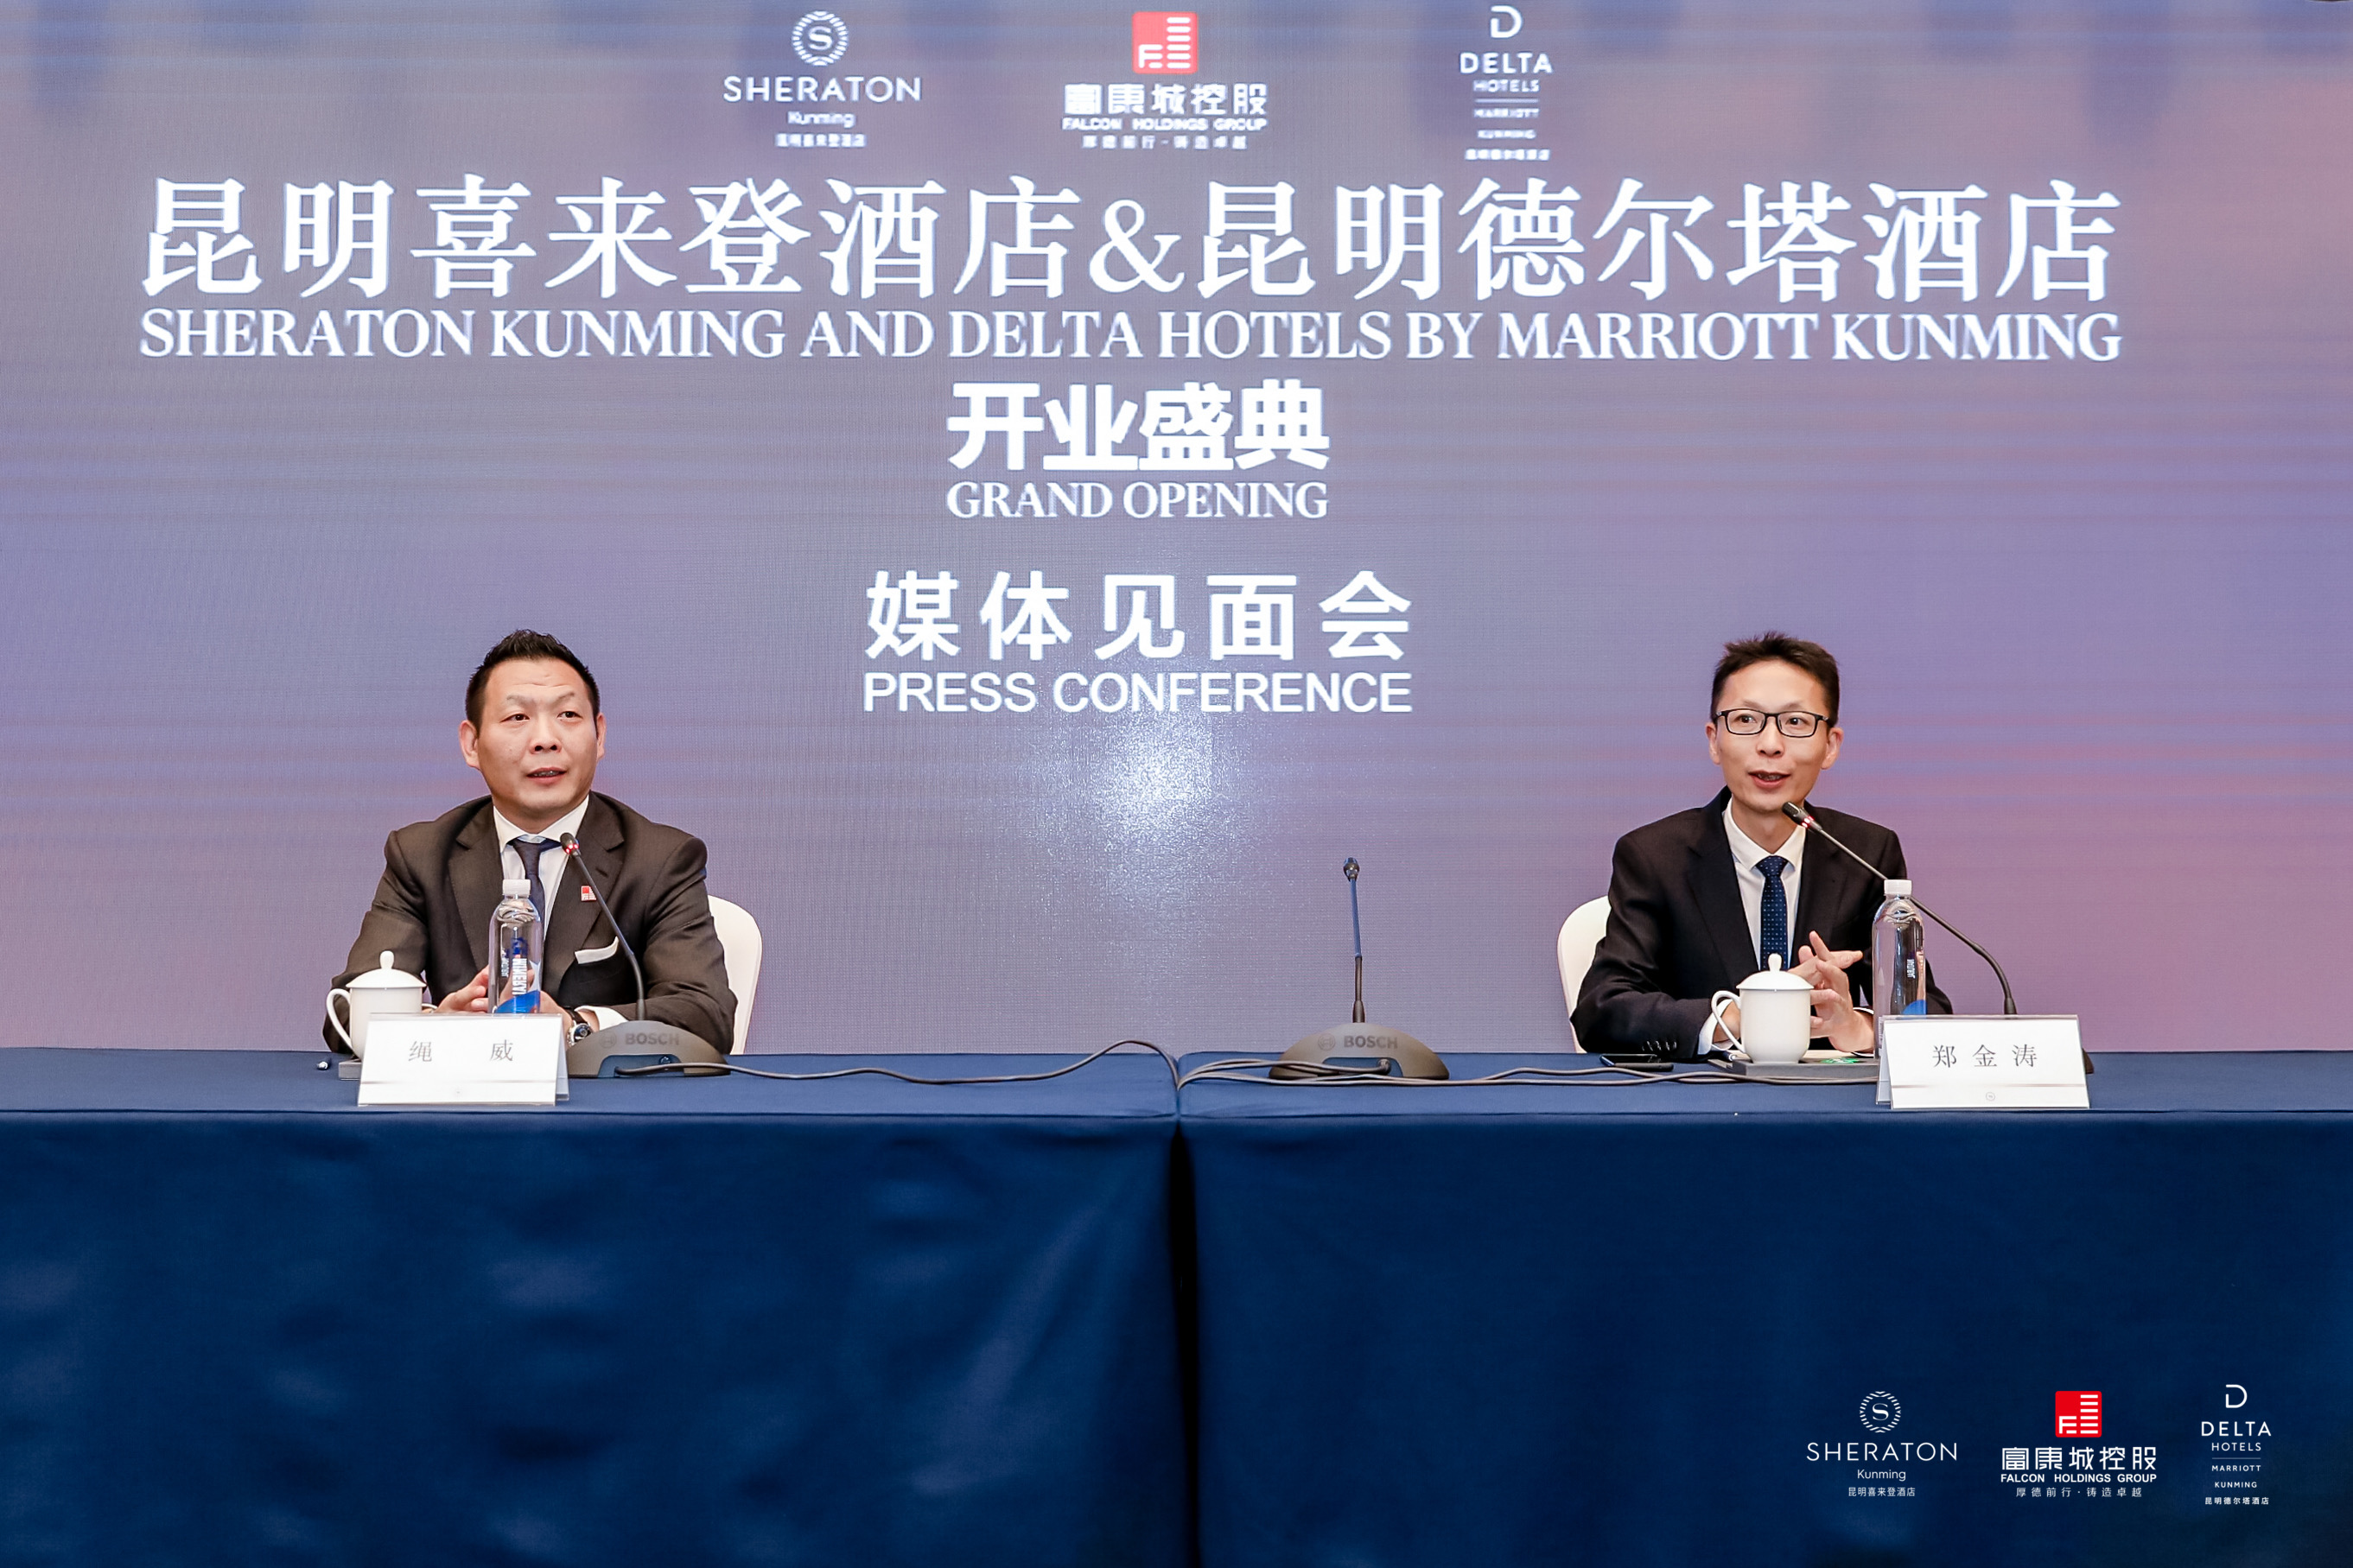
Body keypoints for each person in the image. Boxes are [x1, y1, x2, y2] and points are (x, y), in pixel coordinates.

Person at [327, 630, 735, 1052]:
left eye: (568, 715)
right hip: (466, 1090)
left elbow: (707, 1014)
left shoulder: (659, 859)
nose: (545, 739)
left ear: (599, 736)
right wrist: (438, 1023)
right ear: (472, 744)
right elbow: (346, 1012)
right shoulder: (422, 856)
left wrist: (577, 1026)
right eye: (517, 718)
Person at [1573, 632, 1949, 1059]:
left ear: (1830, 746)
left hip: (1825, 1099)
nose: (1770, 745)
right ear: (1714, 740)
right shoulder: (1655, 857)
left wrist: (1859, 1026)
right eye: (1746, 720)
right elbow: (1603, 1009)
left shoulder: (1865, 854)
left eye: (1796, 722)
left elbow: (1926, 1010)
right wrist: (1739, 1016)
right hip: (1702, 1095)